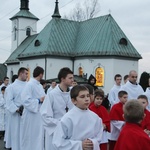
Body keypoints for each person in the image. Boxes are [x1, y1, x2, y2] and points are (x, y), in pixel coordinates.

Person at [53, 85, 103, 150]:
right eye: (82, 97)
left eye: (88, 96)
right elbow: (58, 142)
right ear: (74, 101)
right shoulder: (67, 118)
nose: (87, 99)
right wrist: (80, 145)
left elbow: (98, 136)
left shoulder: (95, 117)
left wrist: (92, 142)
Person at [40, 67, 74, 150]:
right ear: (62, 79)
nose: (72, 80)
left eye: (72, 78)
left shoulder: (73, 94)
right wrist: (61, 124)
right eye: (70, 78)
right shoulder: (52, 94)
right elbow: (45, 116)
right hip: (55, 131)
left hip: (70, 131)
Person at [21, 66, 46, 150]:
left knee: (38, 136)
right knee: (30, 135)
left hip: (38, 115)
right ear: (41, 74)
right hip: (31, 115)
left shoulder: (38, 85)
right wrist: (39, 100)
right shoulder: (30, 84)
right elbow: (25, 100)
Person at [6, 67, 28, 150]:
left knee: (25, 135)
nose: (27, 75)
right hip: (16, 115)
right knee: (16, 135)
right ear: (21, 74)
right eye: (26, 74)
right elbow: (9, 101)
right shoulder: (12, 87)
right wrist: (17, 109)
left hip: (27, 114)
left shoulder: (28, 85)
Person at [4, 75, 18, 150]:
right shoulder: (10, 88)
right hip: (10, 110)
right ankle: (9, 143)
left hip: (13, 110)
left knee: (13, 129)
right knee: (10, 129)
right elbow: (8, 100)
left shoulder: (11, 87)